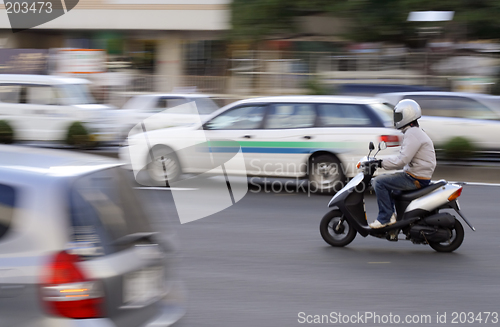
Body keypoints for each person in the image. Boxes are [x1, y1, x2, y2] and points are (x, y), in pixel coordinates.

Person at [369, 99, 436, 229]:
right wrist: (382, 161)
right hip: (416, 174)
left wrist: (380, 163)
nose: (396, 119)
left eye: (398, 116)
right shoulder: (414, 131)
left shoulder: (412, 133)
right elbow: (403, 157)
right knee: (389, 183)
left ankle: (385, 218)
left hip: (415, 177)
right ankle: (393, 219)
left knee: (379, 182)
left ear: (407, 115)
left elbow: (401, 161)